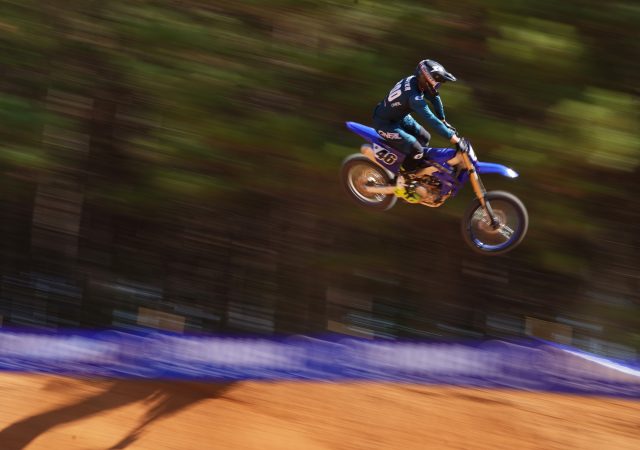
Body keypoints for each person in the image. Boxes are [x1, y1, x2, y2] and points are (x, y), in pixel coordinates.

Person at [372, 59, 469, 173]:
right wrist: (454, 139)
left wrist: (443, 119)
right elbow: (431, 119)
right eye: (436, 83)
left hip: (398, 117)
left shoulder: (415, 80)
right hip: (385, 124)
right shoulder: (414, 98)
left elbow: (434, 98)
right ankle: (402, 176)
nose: (437, 86)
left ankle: (413, 161)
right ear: (425, 79)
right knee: (417, 150)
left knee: (425, 137)